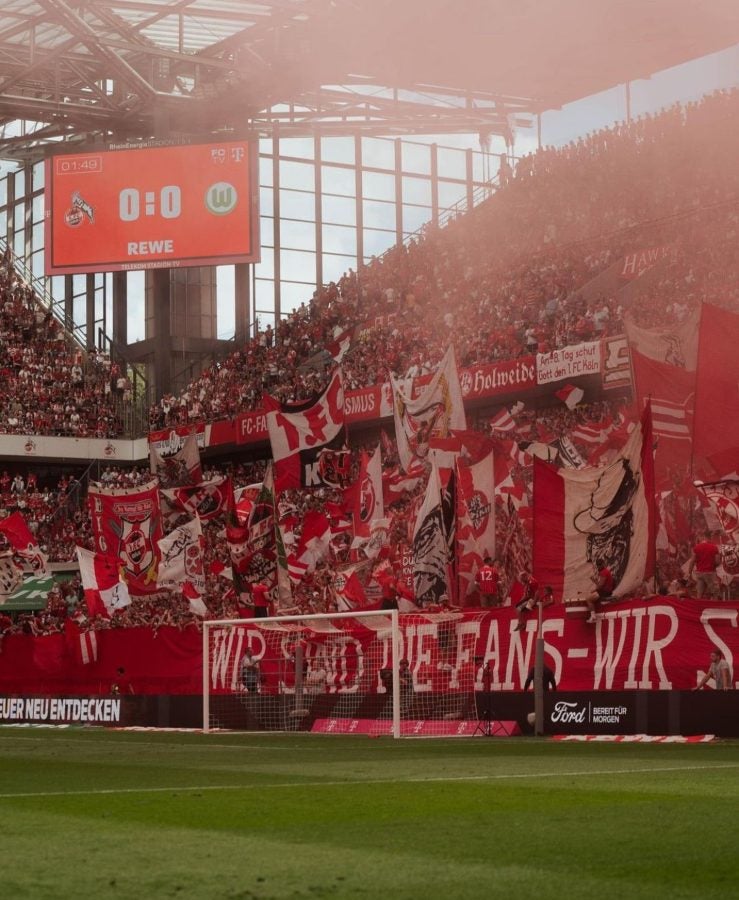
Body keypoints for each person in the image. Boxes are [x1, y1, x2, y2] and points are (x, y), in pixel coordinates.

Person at [688, 531, 720, 599]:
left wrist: (689, 573)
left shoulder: (697, 547)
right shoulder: (714, 547)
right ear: (710, 537)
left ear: (703, 537)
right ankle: (714, 607)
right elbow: (717, 562)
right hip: (710, 573)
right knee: (715, 593)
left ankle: (698, 608)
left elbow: (692, 561)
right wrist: (713, 564)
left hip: (699, 573)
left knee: (699, 594)